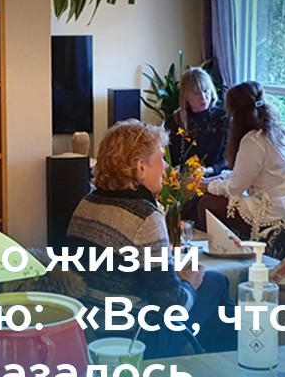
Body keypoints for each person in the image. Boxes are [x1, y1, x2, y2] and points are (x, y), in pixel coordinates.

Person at [66, 120, 231, 357]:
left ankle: (202, 359)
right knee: (216, 282)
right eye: (161, 159)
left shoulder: (86, 203)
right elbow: (173, 307)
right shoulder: (145, 216)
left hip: (89, 335)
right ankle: (227, 366)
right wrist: (189, 283)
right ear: (140, 166)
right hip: (135, 341)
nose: (165, 167)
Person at [197, 81, 285, 241]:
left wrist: (205, 186)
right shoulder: (275, 131)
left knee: (207, 204)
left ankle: (222, 250)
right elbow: (243, 173)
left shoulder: (253, 141)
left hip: (275, 208)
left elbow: (235, 188)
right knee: (211, 197)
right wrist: (211, 180)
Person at [167, 67, 228, 177]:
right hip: (183, 179)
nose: (203, 97)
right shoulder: (175, 120)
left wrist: (209, 170)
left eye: (206, 91)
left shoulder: (223, 118)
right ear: (186, 96)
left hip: (215, 178)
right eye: (196, 93)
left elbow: (230, 158)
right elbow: (166, 157)